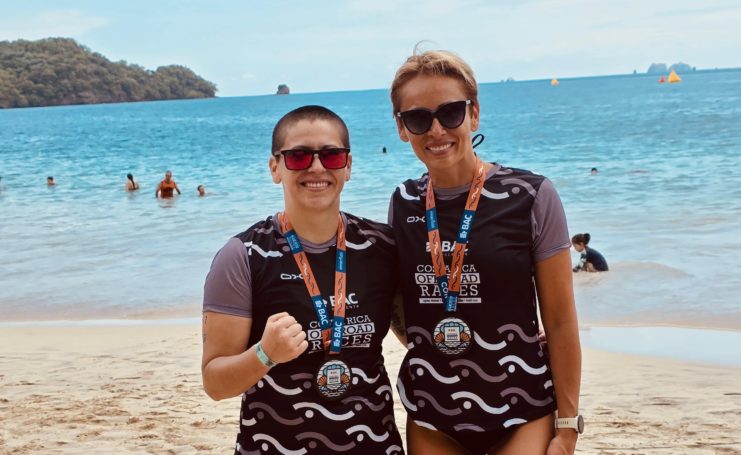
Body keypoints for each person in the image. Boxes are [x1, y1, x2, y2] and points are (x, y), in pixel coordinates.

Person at [387, 50, 582, 455]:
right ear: (402, 128)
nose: (437, 129)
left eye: (451, 113)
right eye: (419, 118)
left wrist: (567, 427)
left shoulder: (529, 196)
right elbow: (398, 302)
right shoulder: (404, 201)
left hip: (523, 406)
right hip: (431, 413)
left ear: (474, 114)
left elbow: (561, 321)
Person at [201, 105, 403, 454]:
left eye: (331, 155)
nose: (317, 167)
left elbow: (421, 333)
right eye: (298, 156)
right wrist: (265, 354)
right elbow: (215, 382)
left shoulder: (381, 246)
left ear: (349, 165)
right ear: (275, 168)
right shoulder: (243, 256)